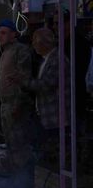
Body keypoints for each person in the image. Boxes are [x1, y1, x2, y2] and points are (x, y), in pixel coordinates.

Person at [0, 19, 33, 172]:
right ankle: (15, 176)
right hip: (5, 103)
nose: (0, 36)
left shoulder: (20, 50)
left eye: (4, 33)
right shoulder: (5, 52)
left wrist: (18, 103)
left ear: (13, 34)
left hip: (15, 103)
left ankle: (23, 175)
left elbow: (23, 79)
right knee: (10, 141)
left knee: (19, 142)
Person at [28, 28, 64, 168]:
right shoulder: (46, 60)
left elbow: (46, 84)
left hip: (54, 115)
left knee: (53, 154)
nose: (34, 46)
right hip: (45, 114)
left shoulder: (56, 60)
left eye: (35, 43)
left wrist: (24, 81)